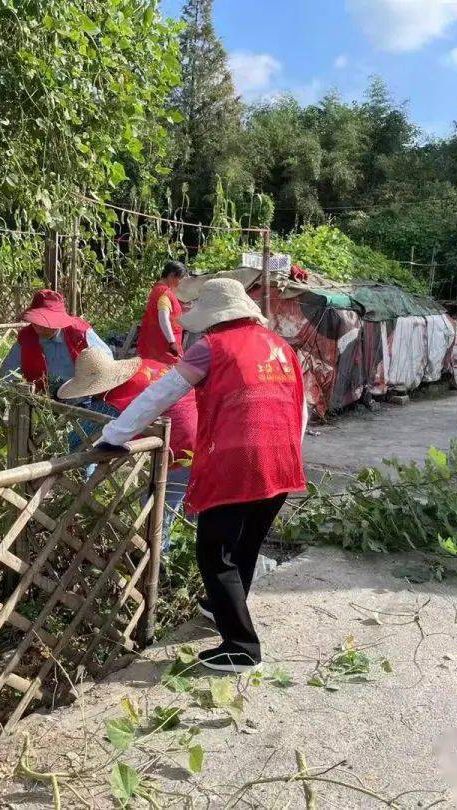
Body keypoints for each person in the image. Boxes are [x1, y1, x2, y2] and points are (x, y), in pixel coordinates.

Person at [96, 278, 307, 673]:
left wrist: (114, 434)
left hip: (236, 463)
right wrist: (288, 448)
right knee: (244, 544)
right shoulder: (281, 347)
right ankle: (221, 609)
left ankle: (241, 647)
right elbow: (299, 405)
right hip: (281, 460)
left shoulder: (211, 347)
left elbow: (163, 392)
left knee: (214, 552)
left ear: (212, 318)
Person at [58, 348, 197, 547]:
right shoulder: (149, 364)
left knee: (155, 512)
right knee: (190, 506)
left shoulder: (113, 401)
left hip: (179, 445)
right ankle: (184, 550)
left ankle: (160, 560)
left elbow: (78, 441)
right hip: (208, 432)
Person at [0, 289, 111, 394]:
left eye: (45, 322)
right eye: (37, 322)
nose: (40, 327)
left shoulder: (80, 333)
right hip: (42, 399)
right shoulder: (27, 337)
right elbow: (7, 373)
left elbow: (107, 364)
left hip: (82, 395)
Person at [137, 260, 187, 364]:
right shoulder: (164, 294)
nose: (181, 282)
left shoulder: (157, 289)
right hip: (164, 346)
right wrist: (172, 342)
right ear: (172, 275)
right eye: (180, 278)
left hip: (154, 342)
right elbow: (164, 319)